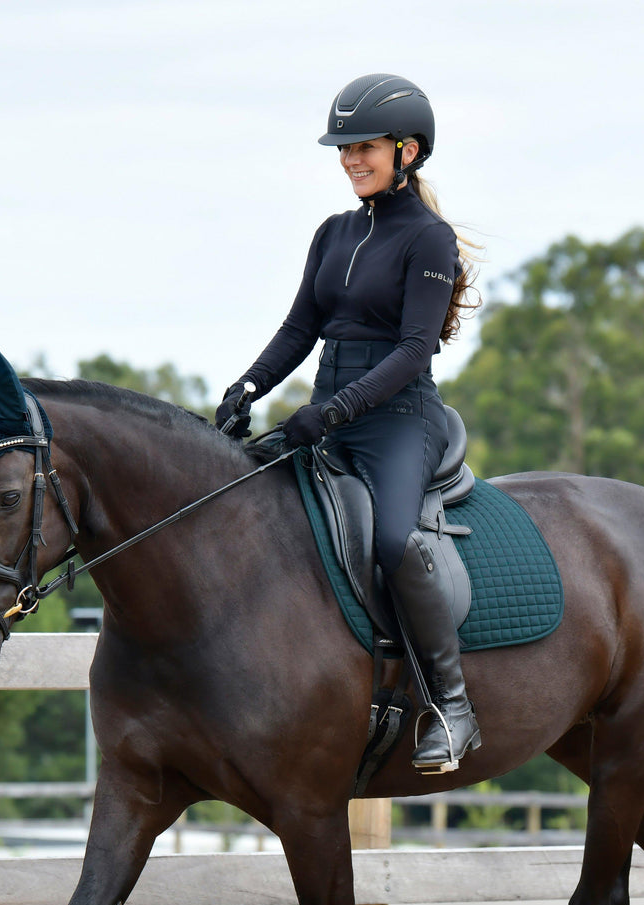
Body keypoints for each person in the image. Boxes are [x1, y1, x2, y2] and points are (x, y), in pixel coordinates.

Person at [215, 73, 481, 773]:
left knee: (393, 540)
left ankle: (452, 707)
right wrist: (249, 385)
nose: (350, 160)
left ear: (407, 151)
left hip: (400, 420)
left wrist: (334, 410)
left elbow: (413, 350)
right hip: (329, 413)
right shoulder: (333, 233)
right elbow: (300, 327)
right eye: (344, 148)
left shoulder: (429, 240)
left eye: (364, 147)